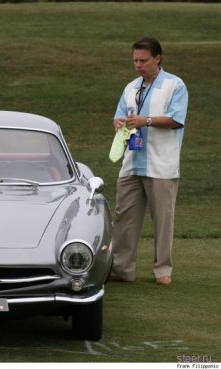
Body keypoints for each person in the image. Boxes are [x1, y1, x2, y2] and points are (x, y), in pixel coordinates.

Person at [109, 37, 189, 286]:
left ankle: (162, 270)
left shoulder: (175, 85)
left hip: (161, 165)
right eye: (135, 60)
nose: (138, 65)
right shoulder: (130, 87)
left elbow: (176, 120)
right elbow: (119, 116)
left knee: (163, 219)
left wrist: (147, 121)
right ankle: (122, 269)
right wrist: (119, 122)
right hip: (131, 162)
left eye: (143, 60)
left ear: (158, 58)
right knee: (124, 218)